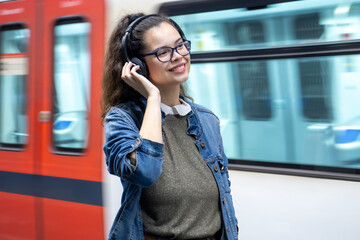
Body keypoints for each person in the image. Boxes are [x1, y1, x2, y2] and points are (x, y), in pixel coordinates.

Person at [101, 13, 239, 240]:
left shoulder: (207, 120)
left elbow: (224, 196)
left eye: (180, 46)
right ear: (137, 66)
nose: (178, 56)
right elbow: (144, 172)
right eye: (163, 52)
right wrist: (153, 98)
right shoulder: (122, 119)